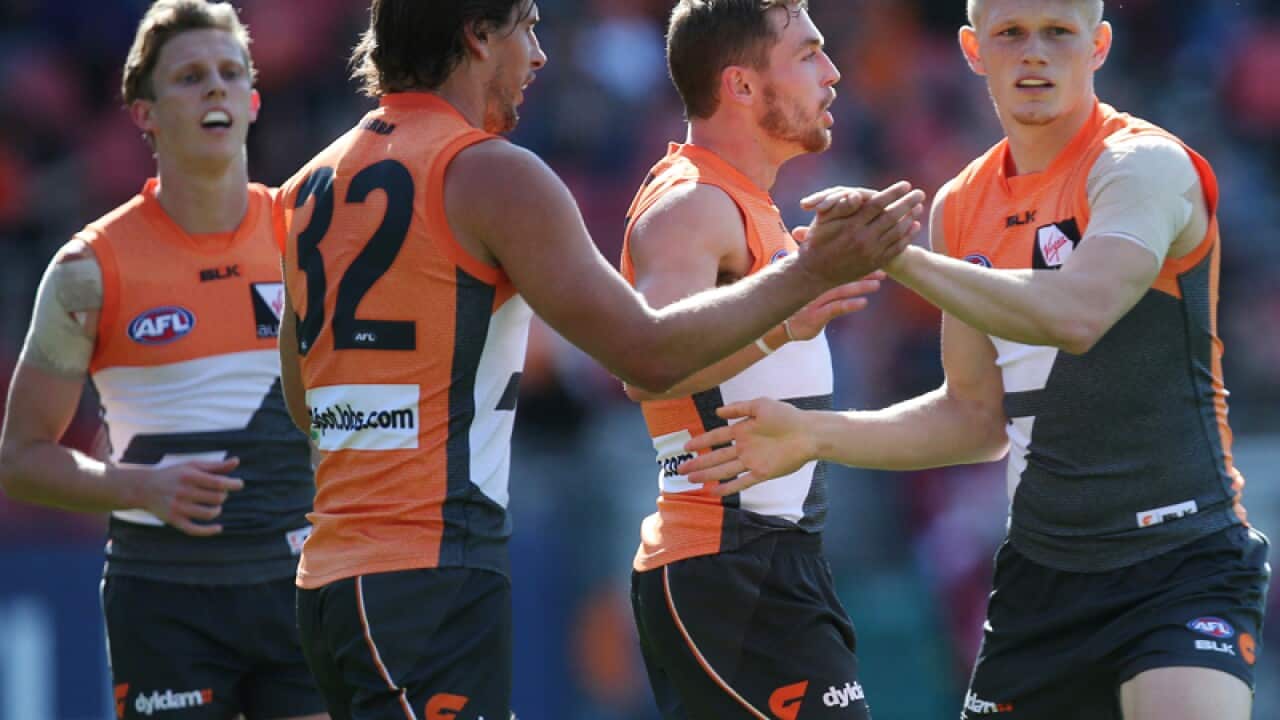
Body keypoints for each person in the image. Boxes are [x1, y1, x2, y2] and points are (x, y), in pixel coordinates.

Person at [273, 0, 924, 717]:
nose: (540, 55)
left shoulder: (308, 184)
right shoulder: (495, 174)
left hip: (333, 576)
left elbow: (306, 401)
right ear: (477, 36)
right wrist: (806, 276)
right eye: (527, 28)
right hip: (431, 570)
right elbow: (644, 353)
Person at [678, 1, 1269, 719]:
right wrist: (812, 434)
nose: (1036, 55)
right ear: (972, 49)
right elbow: (972, 416)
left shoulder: (1142, 165)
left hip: (1181, 559)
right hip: (1043, 578)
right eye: (1011, 34)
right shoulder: (962, 204)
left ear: (1100, 45)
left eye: (1059, 33)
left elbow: (1079, 312)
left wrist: (897, 257)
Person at [0, 2, 327, 719]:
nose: (215, 88)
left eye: (229, 73)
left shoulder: (311, 237)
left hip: (300, 585)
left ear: (254, 99)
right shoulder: (88, 269)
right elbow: (20, 457)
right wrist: (138, 487)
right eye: (189, 77)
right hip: (165, 596)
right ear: (142, 113)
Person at [620, 1, 890, 717]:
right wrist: (781, 323)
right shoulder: (693, 205)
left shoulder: (751, 204)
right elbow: (647, 364)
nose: (832, 74)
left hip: (771, 562)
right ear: (740, 85)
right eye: (807, 54)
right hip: (728, 565)